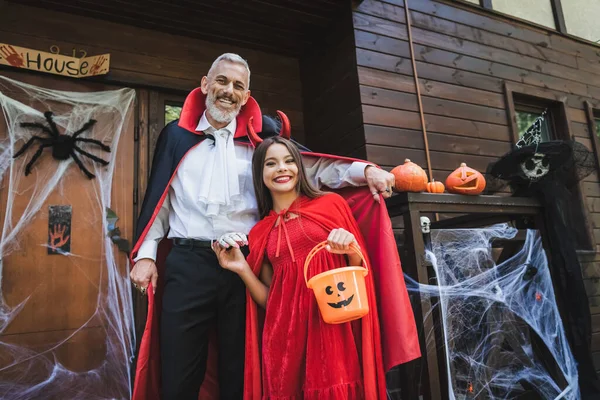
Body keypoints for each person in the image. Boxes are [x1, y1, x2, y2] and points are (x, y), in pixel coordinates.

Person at [129, 53, 396, 400]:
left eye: (238, 85)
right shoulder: (176, 137)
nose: (228, 91)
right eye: (222, 81)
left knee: (242, 371)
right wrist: (146, 255)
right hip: (188, 263)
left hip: (248, 264)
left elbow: (312, 168)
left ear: (247, 94)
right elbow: (159, 201)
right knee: (178, 370)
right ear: (205, 85)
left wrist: (367, 171)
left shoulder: (261, 141)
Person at [213, 135, 390, 398]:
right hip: (285, 343)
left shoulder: (331, 205)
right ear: (260, 174)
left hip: (332, 330)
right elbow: (271, 301)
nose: (282, 168)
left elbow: (359, 274)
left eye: (288, 161)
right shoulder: (261, 231)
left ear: (299, 167)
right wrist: (242, 269)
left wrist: (351, 250)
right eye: (271, 164)